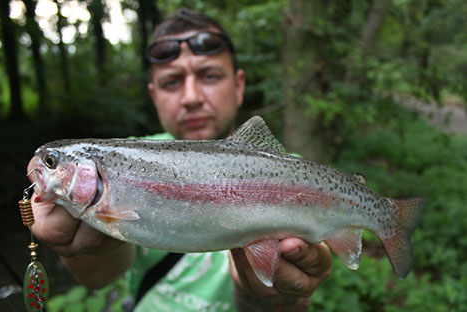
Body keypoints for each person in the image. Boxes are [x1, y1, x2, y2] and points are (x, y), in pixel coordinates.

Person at [28, 8, 332, 311]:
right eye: (172, 82)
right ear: (153, 95)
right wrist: (85, 248)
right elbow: (100, 277)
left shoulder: (290, 171)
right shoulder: (131, 153)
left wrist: (278, 296)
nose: (191, 96)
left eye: (209, 75)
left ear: (239, 86)